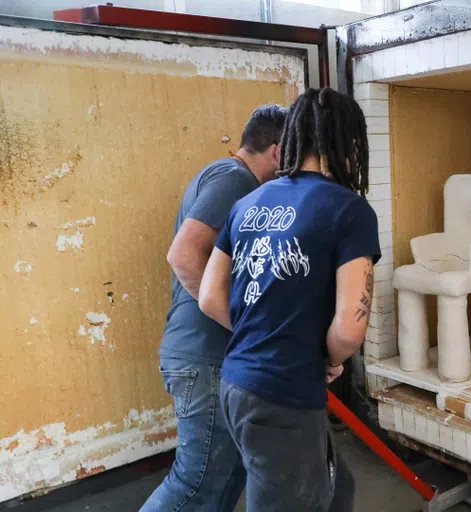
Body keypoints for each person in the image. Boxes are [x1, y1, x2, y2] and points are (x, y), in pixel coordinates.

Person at [198, 87, 379, 512]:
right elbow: (350, 329)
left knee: (337, 488)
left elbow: (209, 297)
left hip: (238, 382)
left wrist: (262, 332)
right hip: (283, 393)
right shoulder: (349, 210)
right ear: (347, 142)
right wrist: (327, 358)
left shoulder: (247, 204)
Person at [141, 104, 288, 512]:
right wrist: (243, 325)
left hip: (210, 358)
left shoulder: (228, 179)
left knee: (227, 474)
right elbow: (184, 255)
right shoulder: (234, 180)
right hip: (204, 359)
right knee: (196, 480)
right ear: (277, 151)